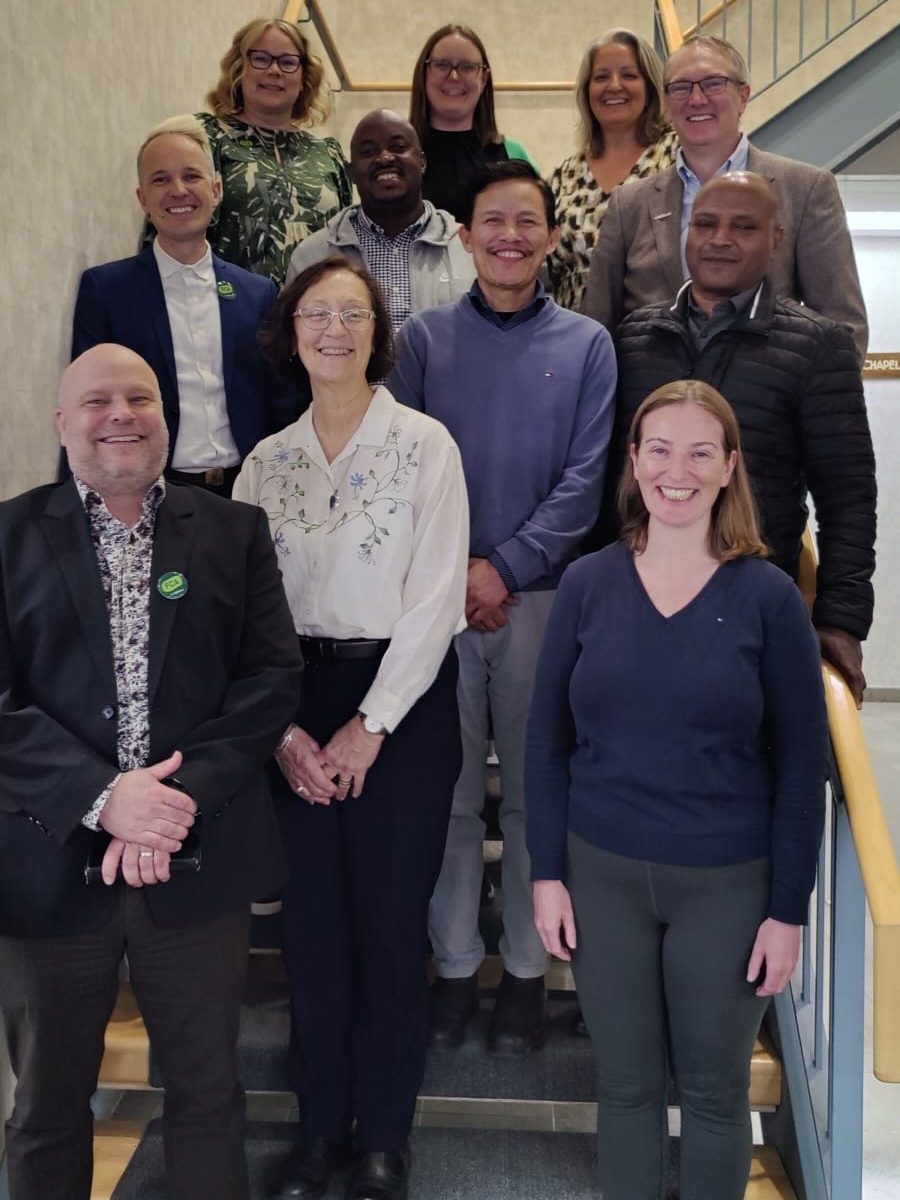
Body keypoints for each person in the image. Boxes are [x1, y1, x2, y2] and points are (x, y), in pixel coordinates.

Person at [0, 344, 302, 1200]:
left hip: (194, 860)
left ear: (168, 418)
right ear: (63, 424)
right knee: (47, 1107)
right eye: (97, 400)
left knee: (207, 1095)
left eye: (141, 397)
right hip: (46, 866)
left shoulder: (234, 532)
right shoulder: (8, 534)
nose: (122, 414)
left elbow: (271, 677)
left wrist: (173, 801)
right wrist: (104, 798)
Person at [526, 380, 828, 1200]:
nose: (678, 470)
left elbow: (804, 765)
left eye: (702, 452)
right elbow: (546, 744)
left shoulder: (767, 597)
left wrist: (788, 912)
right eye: (659, 448)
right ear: (633, 461)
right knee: (623, 1090)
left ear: (730, 467)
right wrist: (545, 873)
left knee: (714, 1095)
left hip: (728, 886)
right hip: (602, 876)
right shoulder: (588, 584)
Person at [233, 257, 468, 1200]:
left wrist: (369, 726)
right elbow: (243, 615)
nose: (335, 329)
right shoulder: (264, 461)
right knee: (313, 936)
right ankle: (320, 1130)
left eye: (354, 314)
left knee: (385, 927)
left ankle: (384, 1139)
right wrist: (285, 730)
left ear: (379, 332)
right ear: (291, 332)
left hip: (400, 710)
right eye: (316, 314)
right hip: (294, 706)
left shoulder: (426, 446)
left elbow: (437, 596)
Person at [388, 160, 616, 1056]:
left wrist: (504, 568)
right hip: (436, 605)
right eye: (494, 221)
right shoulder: (422, 342)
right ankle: (452, 969)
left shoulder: (588, 345)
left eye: (528, 221)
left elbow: (585, 481)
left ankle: (524, 972)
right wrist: (458, 575)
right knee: (443, 796)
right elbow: (400, 470)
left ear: (552, 239)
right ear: (468, 235)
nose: (511, 236)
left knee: (531, 798)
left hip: (540, 603)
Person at [605, 170, 876, 706]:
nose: (720, 239)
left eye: (743, 227)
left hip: (749, 603)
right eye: (705, 223)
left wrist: (842, 620)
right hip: (633, 597)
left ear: (777, 238)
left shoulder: (818, 348)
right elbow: (608, 476)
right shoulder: (633, 337)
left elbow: (847, 496)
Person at [581, 34, 868, 363]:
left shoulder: (805, 189)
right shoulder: (629, 203)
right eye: (681, 87)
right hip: (654, 405)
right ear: (666, 102)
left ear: (743, 96)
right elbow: (598, 328)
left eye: (714, 83)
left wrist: (820, 405)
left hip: (768, 406)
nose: (697, 98)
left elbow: (843, 326)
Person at [72, 116, 299, 495]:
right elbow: (87, 404)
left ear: (215, 190)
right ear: (143, 198)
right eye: (161, 179)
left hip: (246, 492)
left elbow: (280, 401)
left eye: (191, 177)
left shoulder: (256, 293)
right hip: (151, 492)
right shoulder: (107, 290)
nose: (178, 190)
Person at [159, 17, 351, 285]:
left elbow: (345, 245)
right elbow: (165, 225)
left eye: (287, 62)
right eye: (261, 58)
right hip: (223, 310)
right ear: (239, 68)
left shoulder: (328, 154)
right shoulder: (205, 137)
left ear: (304, 75)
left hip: (311, 317)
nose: (274, 71)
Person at [286, 109, 475, 329]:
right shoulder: (311, 256)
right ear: (352, 173)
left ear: (422, 161)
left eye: (399, 148)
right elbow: (291, 339)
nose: (385, 157)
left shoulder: (468, 248)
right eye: (368, 151)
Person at [548, 29, 678, 311]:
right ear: (587, 90)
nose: (614, 86)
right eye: (601, 77)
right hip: (574, 336)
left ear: (650, 87)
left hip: (653, 332)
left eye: (629, 75)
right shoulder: (563, 175)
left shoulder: (677, 155)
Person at [409, 23, 535, 222]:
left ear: (483, 79)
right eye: (442, 65)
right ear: (424, 73)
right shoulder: (399, 157)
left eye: (467, 67)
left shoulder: (514, 156)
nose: (454, 76)